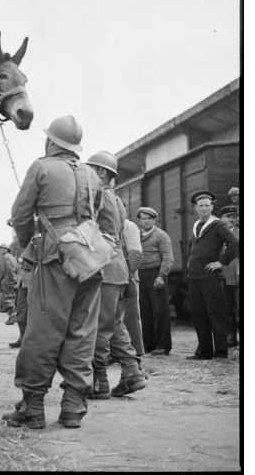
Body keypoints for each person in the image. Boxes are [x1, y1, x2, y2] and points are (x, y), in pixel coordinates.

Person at [4, 115, 104, 430]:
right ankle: (73, 407)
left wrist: (27, 244)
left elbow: (20, 214)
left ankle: (33, 408)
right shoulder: (93, 175)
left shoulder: (41, 167)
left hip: (54, 257)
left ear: (51, 142)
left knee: (43, 332)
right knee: (82, 333)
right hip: (90, 257)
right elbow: (94, 214)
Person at [87, 151, 145, 400]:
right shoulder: (118, 200)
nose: (87, 173)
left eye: (91, 169)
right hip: (119, 270)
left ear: (102, 173)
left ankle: (99, 380)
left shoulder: (97, 195)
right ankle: (132, 372)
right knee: (115, 324)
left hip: (104, 270)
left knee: (99, 326)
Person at [186, 192, 238, 360]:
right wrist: (189, 261)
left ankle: (221, 352)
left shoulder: (218, 225)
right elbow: (192, 247)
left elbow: (235, 244)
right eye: (201, 205)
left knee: (215, 313)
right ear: (196, 208)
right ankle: (204, 351)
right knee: (198, 314)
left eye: (207, 205)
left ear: (212, 207)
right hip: (195, 276)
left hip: (211, 276)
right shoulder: (196, 225)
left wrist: (221, 262)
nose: (204, 208)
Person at [136, 207, 174, 356]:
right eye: (143, 218)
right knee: (144, 311)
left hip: (156, 274)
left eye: (149, 219)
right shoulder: (136, 235)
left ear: (154, 220)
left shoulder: (161, 236)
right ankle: (148, 344)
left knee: (160, 311)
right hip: (140, 274)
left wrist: (161, 276)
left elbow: (168, 257)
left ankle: (163, 345)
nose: (146, 221)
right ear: (139, 220)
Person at [118, 217, 144, 357]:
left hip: (127, 278)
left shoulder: (128, 226)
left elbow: (136, 255)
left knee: (130, 317)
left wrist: (126, 277)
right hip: (112, 279)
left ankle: (135, 352)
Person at [219, 206, 240, 348]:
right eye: (228, 216)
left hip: (238, 275)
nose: (232, 219)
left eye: (233, 216)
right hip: (223, 275)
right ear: (221, 218)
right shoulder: (217, 234)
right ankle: (231, 337)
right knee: (226, 308)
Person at [0, 243, 18, 324]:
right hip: (12, 278)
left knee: (7, 298)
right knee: (12, 298)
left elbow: (9, 269)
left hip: (8, 279)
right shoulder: (11, 257)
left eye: (1, 248)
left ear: (6, 249)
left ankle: (13, 316)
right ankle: (12, 316)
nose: (0, 250)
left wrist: (11, 280)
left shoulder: (5, 257)